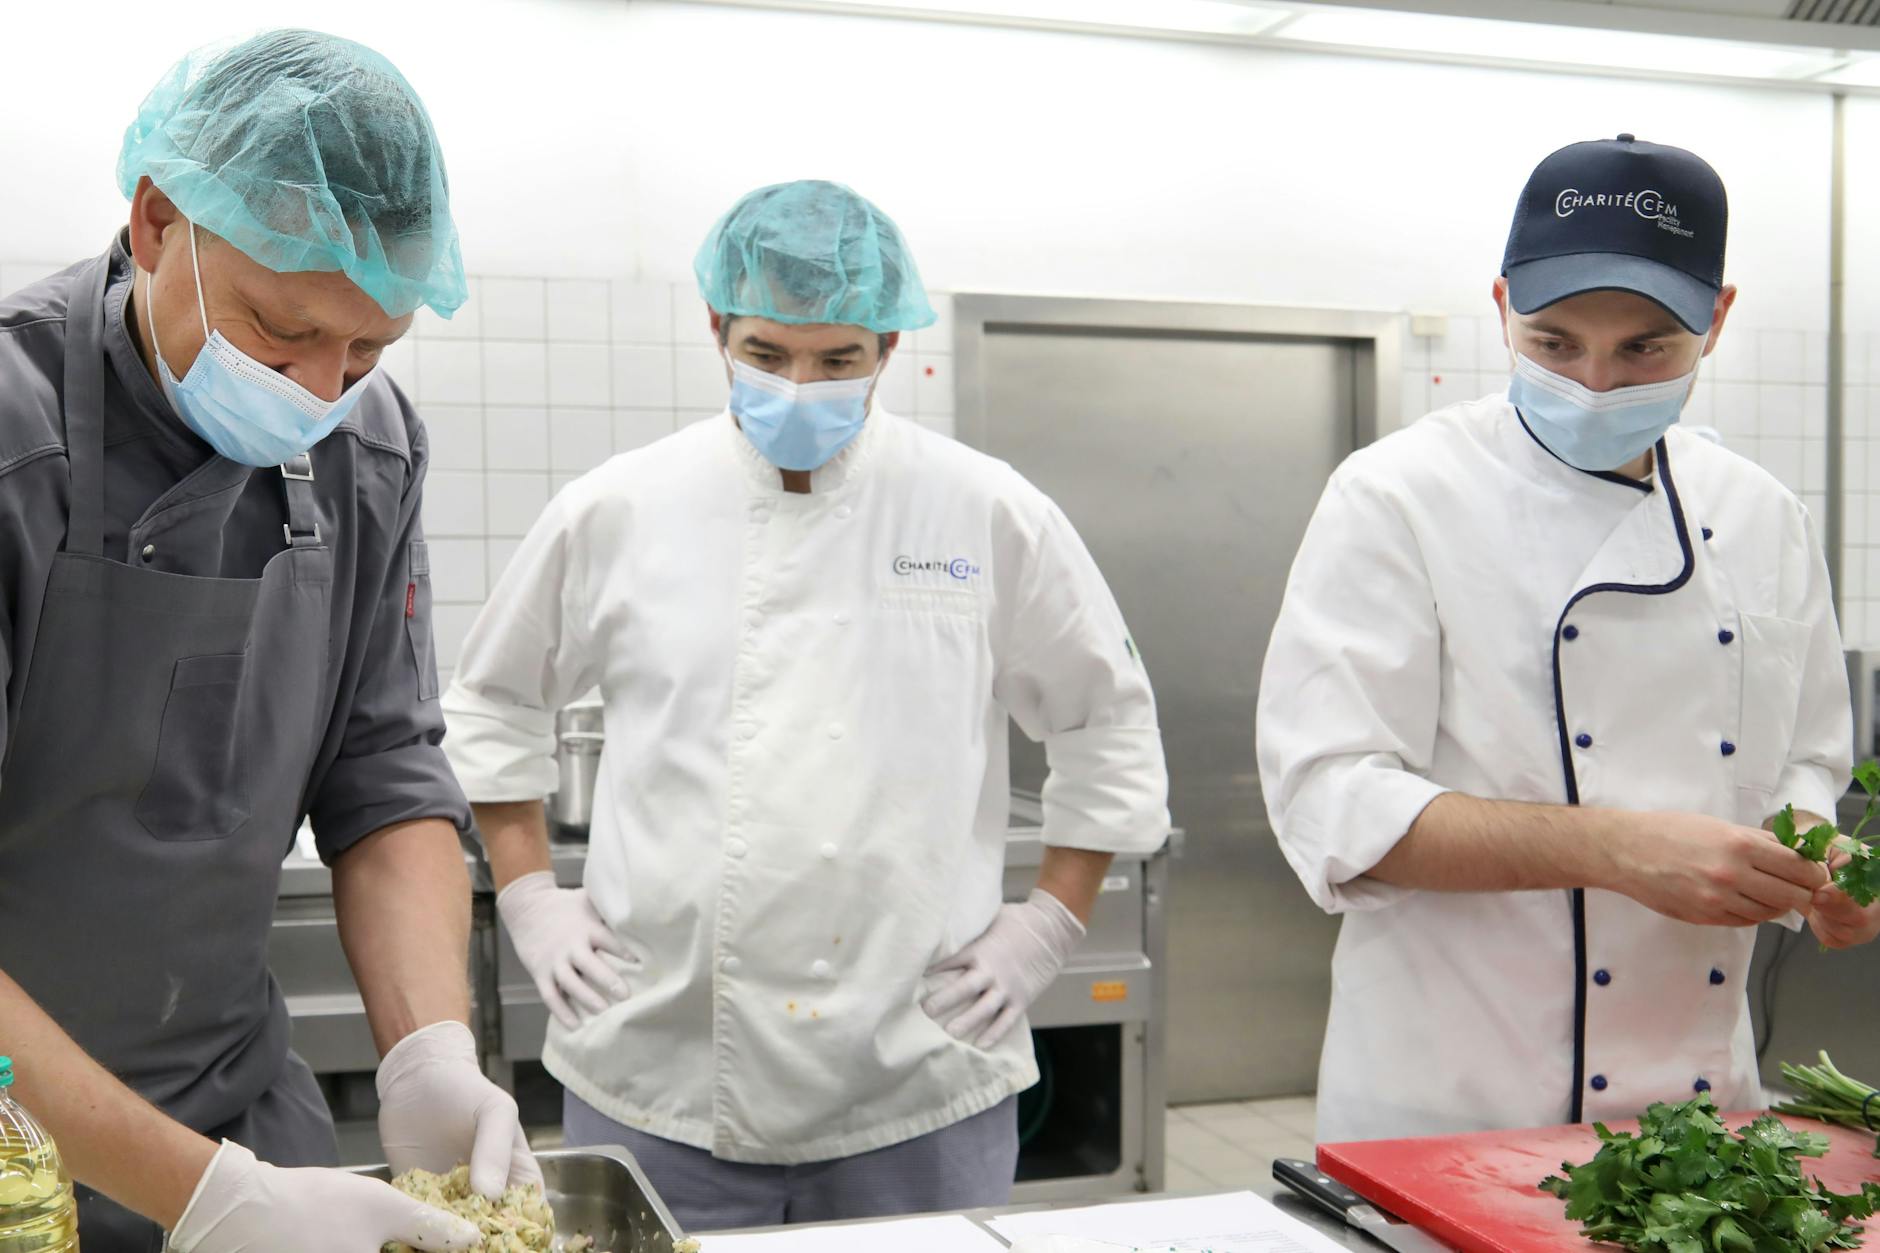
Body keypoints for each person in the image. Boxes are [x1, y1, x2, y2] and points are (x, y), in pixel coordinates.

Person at [441, 179, 1170, 1230]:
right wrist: (528, 898)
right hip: (659, 1061)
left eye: (838, 360)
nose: (799, 386)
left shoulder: (984, 507)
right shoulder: (617, 507)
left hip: (914, 1068)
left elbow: (1105, 721)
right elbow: (495, 703)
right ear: (715, 331)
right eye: (766, 354)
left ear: (887, 343)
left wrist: (1047, 925)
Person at [0, 31, 535, 1252]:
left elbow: (385, 770)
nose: (317, 385)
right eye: (278, 330)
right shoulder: (13, 435)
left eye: (368, 347)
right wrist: (197, 1194)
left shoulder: (369, 445)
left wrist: (427, 1049)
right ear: (153, 223)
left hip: (241, 1111)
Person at [1257, 135, 1880, 1143]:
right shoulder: (1397, 497)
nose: (1593, 383)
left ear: (1714, 320)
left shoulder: (1760, 515)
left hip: (1698, 1111)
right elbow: (1330, 801)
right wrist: (1616, 847)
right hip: (1447, 1106)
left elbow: (1802, 760)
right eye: (1553, 343)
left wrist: (1815, 869)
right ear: (1500, 306)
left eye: (1644, 349)